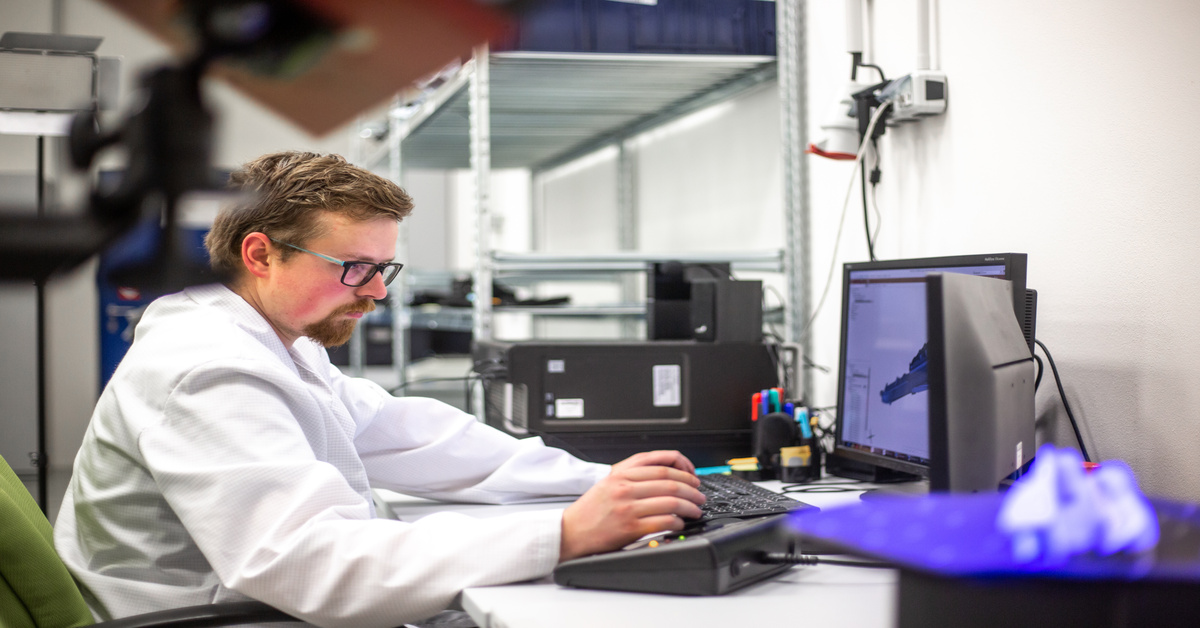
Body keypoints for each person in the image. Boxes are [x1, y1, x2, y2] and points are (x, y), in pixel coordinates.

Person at [54, 151, 706, 627]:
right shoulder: (208, 369)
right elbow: (313, 564)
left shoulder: (273, 342)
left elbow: (407, 432)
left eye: (383, 266)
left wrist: (597, 482)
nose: (378, 292)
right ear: (260, 255)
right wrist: (562, 534)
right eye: (356, 268)